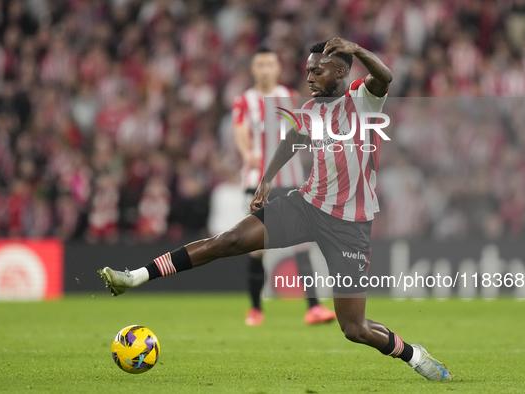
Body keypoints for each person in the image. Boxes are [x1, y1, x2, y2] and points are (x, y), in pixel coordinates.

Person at [99, 37, 453, 381]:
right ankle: (135, 277)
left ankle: (413, 354)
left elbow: (386, 77)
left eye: (318, 71)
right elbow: (291, 140)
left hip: (349, 225)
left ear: (341, 72)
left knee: (354, 329)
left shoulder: (363, 98)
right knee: (230, 240)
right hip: (306, 205)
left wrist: (357, 49)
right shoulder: (310, 110)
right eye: (308, 71)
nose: (309, 77)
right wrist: (267, 179)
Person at [231, 46, 336, 326]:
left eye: (270, 64)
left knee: (303, 242)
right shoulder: (244, 101)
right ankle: (255, 309)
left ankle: (314, 308)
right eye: (260, 64)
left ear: (278, 69)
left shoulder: (289, 97)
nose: (265, 69)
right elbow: (240, 132)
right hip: (256, 183)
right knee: (257, 246)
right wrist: (247, 154)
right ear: (253, 69)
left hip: (289, 182)